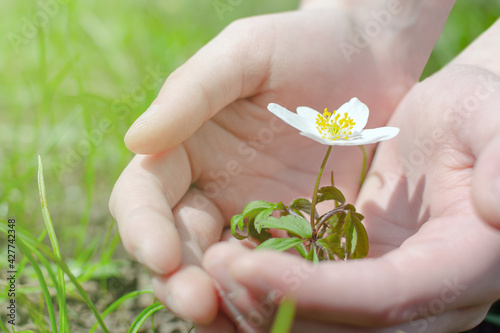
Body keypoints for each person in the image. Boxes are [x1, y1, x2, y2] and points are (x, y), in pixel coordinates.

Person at [109, 0, 500, 331]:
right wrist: (364, 24)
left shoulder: (356, 132)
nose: (340, 124)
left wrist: (492, 71)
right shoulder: (313, 122)